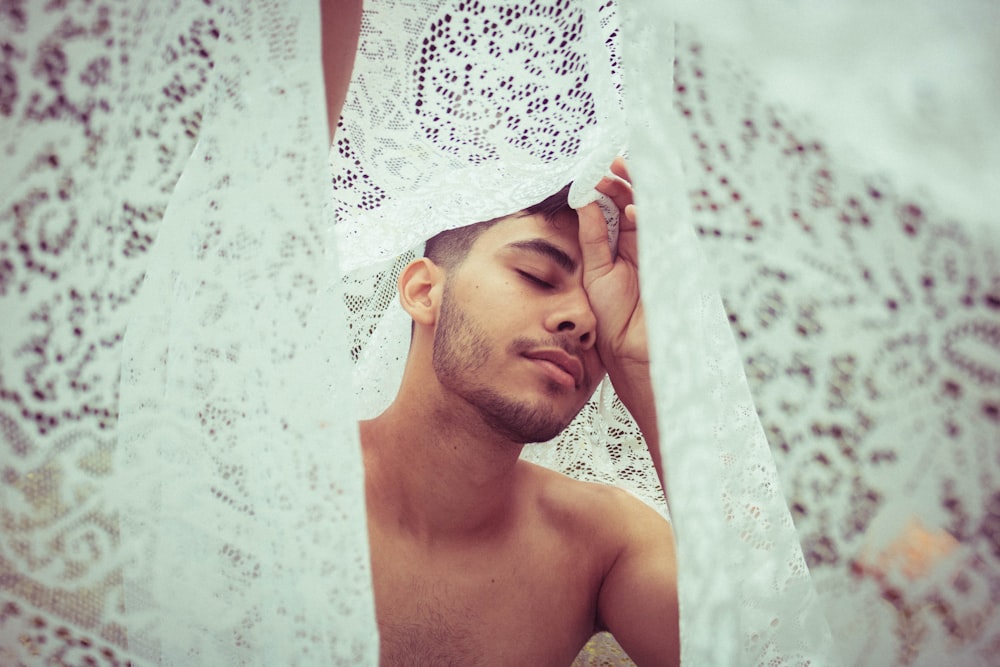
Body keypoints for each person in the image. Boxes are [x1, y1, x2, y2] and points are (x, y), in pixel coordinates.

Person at [358, 158, 680, 665]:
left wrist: (643, 368)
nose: (582, 319)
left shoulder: (604, 546)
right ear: (423, 291)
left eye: (599, 309)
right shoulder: (272, 476)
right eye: (537, 276)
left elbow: (765, 647)